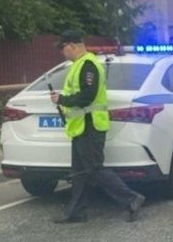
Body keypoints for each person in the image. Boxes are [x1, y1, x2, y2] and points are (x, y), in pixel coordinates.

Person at [49, 30, 146, 223]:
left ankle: (132, 199)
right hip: (80, 126)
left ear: (73, 46)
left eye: (63, 47)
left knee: (94, 169)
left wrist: (62, 99)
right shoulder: (78, 66)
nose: (62, 51)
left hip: (90, 125)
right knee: (79, 172)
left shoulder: (88, 65)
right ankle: (77, 211)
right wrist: (63, 100)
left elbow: (87, 96)